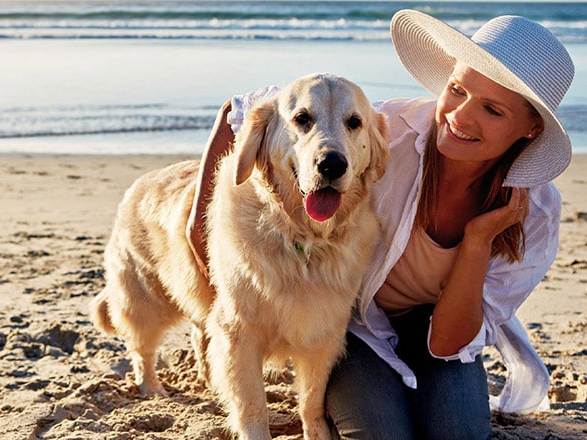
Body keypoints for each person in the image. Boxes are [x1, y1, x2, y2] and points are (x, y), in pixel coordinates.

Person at [186, 9, 575, 440]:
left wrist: (477, 241)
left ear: (530, 128)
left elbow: (448, 342)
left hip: (442, 335)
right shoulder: (383, 130)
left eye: (492, 110)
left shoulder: (535, 213)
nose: (461, 116)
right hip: (355, 321)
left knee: (458, 434)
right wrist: (196, 221)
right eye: (457, 89)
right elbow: (242, 111)